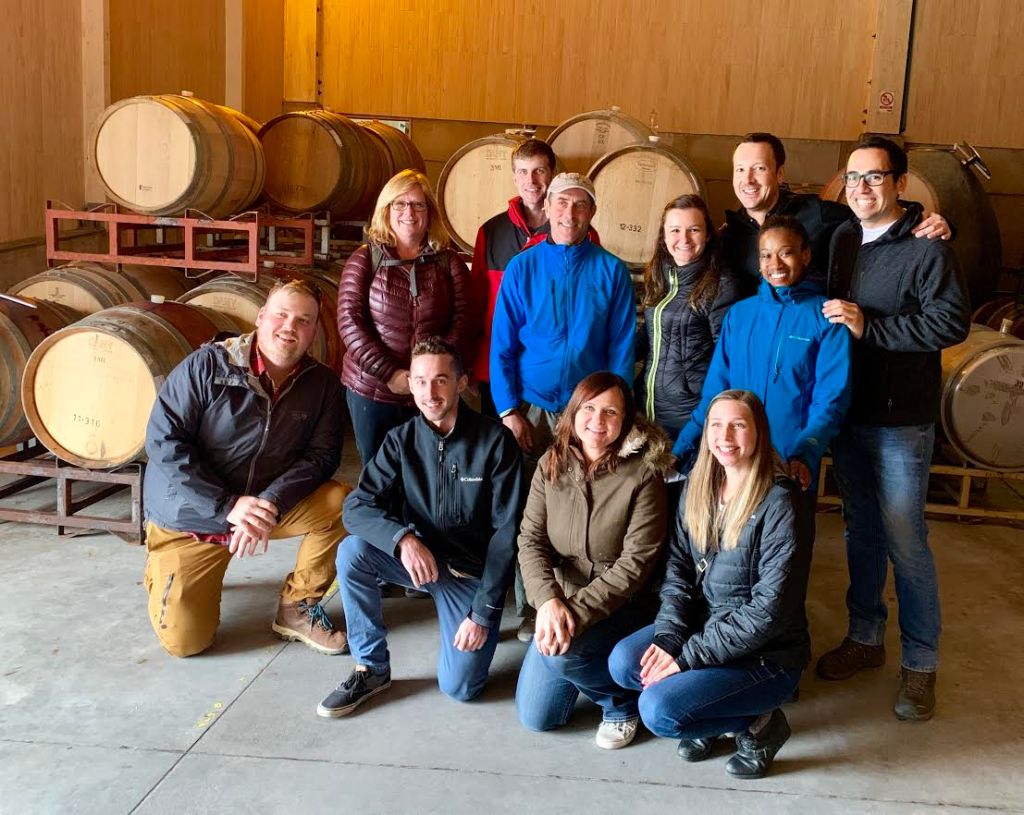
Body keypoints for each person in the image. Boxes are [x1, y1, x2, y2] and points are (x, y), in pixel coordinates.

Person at [818, 136, 971, 721]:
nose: (862, 188)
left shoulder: (929, 248)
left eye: (875, 177)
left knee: (906, 538)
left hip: (901, 419)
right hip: (851, 411)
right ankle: (865, 636)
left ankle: (922, 663)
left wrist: (871, 330)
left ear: (901, 184)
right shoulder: (842, 239)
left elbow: (950, 321)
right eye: (854, 178)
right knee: (861, 531)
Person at [609, 390, 813, 779]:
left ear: (759, 433)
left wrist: (685, 659)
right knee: (623, 663)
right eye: (716, 425)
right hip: (704, 629)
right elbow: (678, 572)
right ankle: (712, 707)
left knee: (660, 712)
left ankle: (760, 725)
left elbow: (768, 613)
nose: (725, 435)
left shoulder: (781, 504)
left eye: (738, 425)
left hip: (766, 655)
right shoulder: (696, 488)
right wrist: (669, 638)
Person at [316, 337, 524, 717]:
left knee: (461, 688)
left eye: (442, 380)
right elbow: (357, 506)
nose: (430, 392)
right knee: (352, 551)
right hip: (420, 562)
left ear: (461, 383)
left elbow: (506, 535)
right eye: (421, 381)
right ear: (410, 384)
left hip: (468, 577)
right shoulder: (401, 440)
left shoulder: (495, 441)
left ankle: (473, 627)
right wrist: (403, 540)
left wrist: (483, 612)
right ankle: (372, 667)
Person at [142, 279, 349, 658]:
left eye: (304, 320)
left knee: (341, 503)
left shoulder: (321, 385)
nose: (290, 326)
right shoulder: (206, 366)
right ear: (260, 317)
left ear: (315, 330)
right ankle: (165, 567)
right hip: (193, 517)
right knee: (186, 643)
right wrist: (226, 505)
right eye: (282, 315)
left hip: (261, 506)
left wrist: (268, 502)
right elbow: (163, 442)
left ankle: (296, 607)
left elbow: (321, 458)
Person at [489, 171, 635, 638]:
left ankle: (579, 602)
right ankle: (532, 606)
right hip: (531, 410)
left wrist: (617, 413)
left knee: (578, 508)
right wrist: (509, 410)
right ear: (547, 207)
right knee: (529, 513)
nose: (569, 214)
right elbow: (502, 347)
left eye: (580, 205)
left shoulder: (610, 270)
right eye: (561, 203)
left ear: (592, 213)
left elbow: (621, 350)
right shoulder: (523, 268)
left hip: (588, 415)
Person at [515, 372, 671, 750]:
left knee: (564, 655)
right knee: (538, 717)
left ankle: (619, 703)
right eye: (589, 409)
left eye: (611, 412)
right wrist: (548, 602)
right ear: (573, 412)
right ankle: (588, 668)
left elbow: (635, 564)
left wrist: (572, 614)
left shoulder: (644, 475)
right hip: (561, 600)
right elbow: (530, 539)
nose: (597, 422)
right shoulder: (550, 463)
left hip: (623, 606)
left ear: (626, 420)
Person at [672, 215, 851, 495]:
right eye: (766, 255)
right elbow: (715, 394)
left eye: (786, 253)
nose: (775, 264)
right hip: (735, 458)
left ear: (805, 255)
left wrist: (805, 453)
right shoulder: (740, 315)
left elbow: (830, 400)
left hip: (789, 461)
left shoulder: (826, 316)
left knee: (786, 535)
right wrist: (681, 447)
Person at [337, 169, 472, 465]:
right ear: (386, 211)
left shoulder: (449, 262)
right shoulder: (365, 258)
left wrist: (430, 375)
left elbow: (464, 319)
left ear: (429, 213)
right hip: (373, 390)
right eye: (399, 204)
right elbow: (350, 323)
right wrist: (390, 374)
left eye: (417, 204)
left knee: (427, 471)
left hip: (430, 394)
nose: (408, 212)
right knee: (377, 472)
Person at [722, 132, 951, 297]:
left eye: (759, 168)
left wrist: (926, 218)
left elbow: (872, 213)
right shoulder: (729, 234)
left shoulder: (817, 213)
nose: (748, 179)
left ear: (779, 174)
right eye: (740, 169)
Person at [636, 193, 741, 440]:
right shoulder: (661, 278)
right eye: (674, 230)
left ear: (707, 234)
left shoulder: (720, 285)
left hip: (689, 416)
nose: (683, 239)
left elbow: (727, 362)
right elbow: (651, 336)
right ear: (663, 236)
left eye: (693, 229)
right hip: (648, 409)